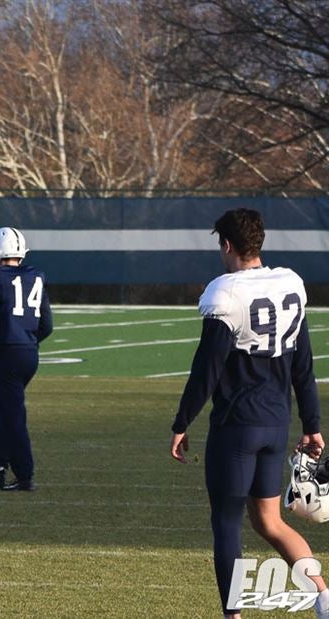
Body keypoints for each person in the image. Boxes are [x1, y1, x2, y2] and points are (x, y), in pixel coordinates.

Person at [169, 208, 329, 619]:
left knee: (227, 522)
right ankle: (324, 597)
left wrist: (181, 421)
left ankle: (233, 615)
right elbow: (303, 363)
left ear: (226, 245)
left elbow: (208, 368)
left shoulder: (225, 292)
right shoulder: (289, 284)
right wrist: (312, 424)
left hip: (237, 425)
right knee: (269, 522)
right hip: (277, 423)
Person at [0, 227, 52, 492]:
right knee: (2, 411)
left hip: (7, 353)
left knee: (13, 415)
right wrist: (28, 343)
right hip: (29, 354)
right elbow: (47, 326)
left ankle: (24, 474)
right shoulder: (36, 276)